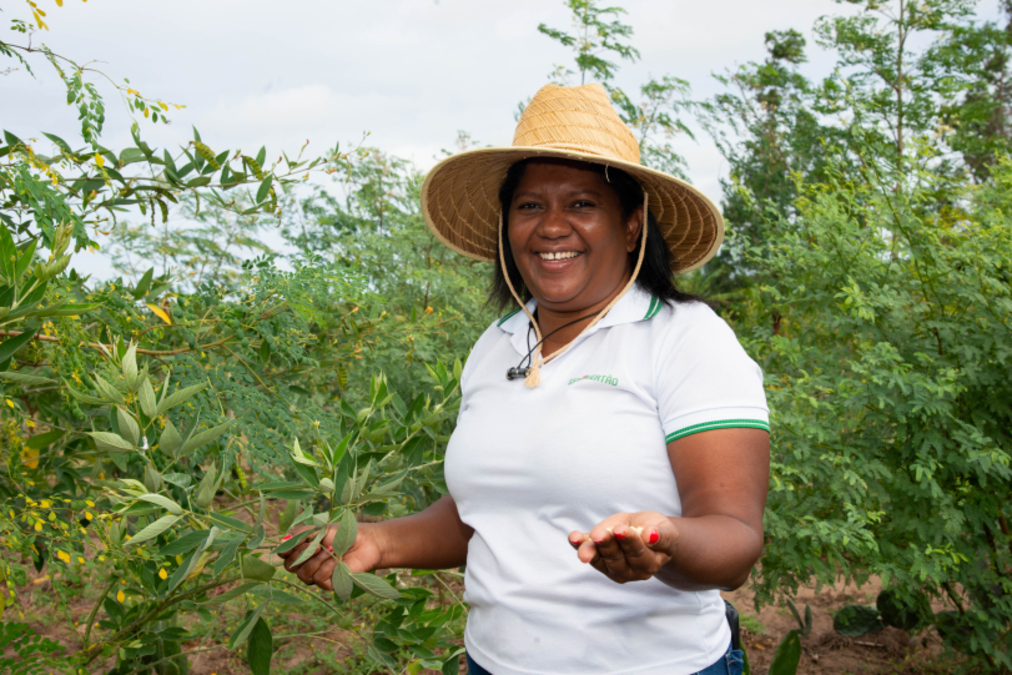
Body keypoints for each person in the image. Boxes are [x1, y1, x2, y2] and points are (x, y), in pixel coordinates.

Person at [279, 83, 770, 675]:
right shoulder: (498, 345)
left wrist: (662, 542)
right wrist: (380, 543)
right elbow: (490, 510)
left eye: (583, 204)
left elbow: (734, 541)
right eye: (531, 206)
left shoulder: (685, 338)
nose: (552, 227)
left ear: (633, 223)